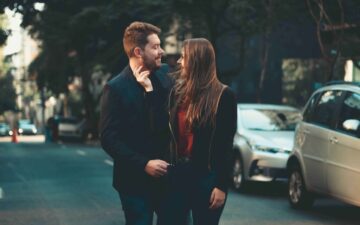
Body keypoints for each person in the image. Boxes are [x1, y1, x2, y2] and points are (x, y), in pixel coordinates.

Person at [99, 21, 173, 225]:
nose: (162, 51)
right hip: (134, 183)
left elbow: (167, 124)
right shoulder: (115, 88)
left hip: (169, 179)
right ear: (139, 51)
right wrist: (144, 164)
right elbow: (108, 139)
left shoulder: (166, 75)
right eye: (155, 47)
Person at [163, 38, 237, 225]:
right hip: (177, 174)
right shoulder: (176, 93)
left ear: (196, 60)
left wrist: (221, 186)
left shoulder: (223, 96)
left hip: (207, 177)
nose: (179, 61)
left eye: (183, 57)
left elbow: (225, 145)